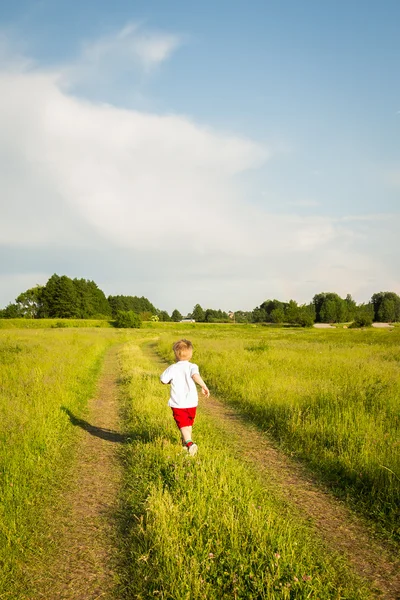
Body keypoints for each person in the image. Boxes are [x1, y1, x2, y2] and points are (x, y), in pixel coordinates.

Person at [160, 339, 210, 456]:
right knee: (188, 424)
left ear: (175, 355)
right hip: (192, 402)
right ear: (191, 354)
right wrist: (203, 385)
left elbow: (163, 380)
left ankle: (190, 443)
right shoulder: (192, 366)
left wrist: (170, 381)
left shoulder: (173, 368)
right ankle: (186, 446)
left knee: (182, 425)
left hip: (178, 402)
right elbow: (195, 376)